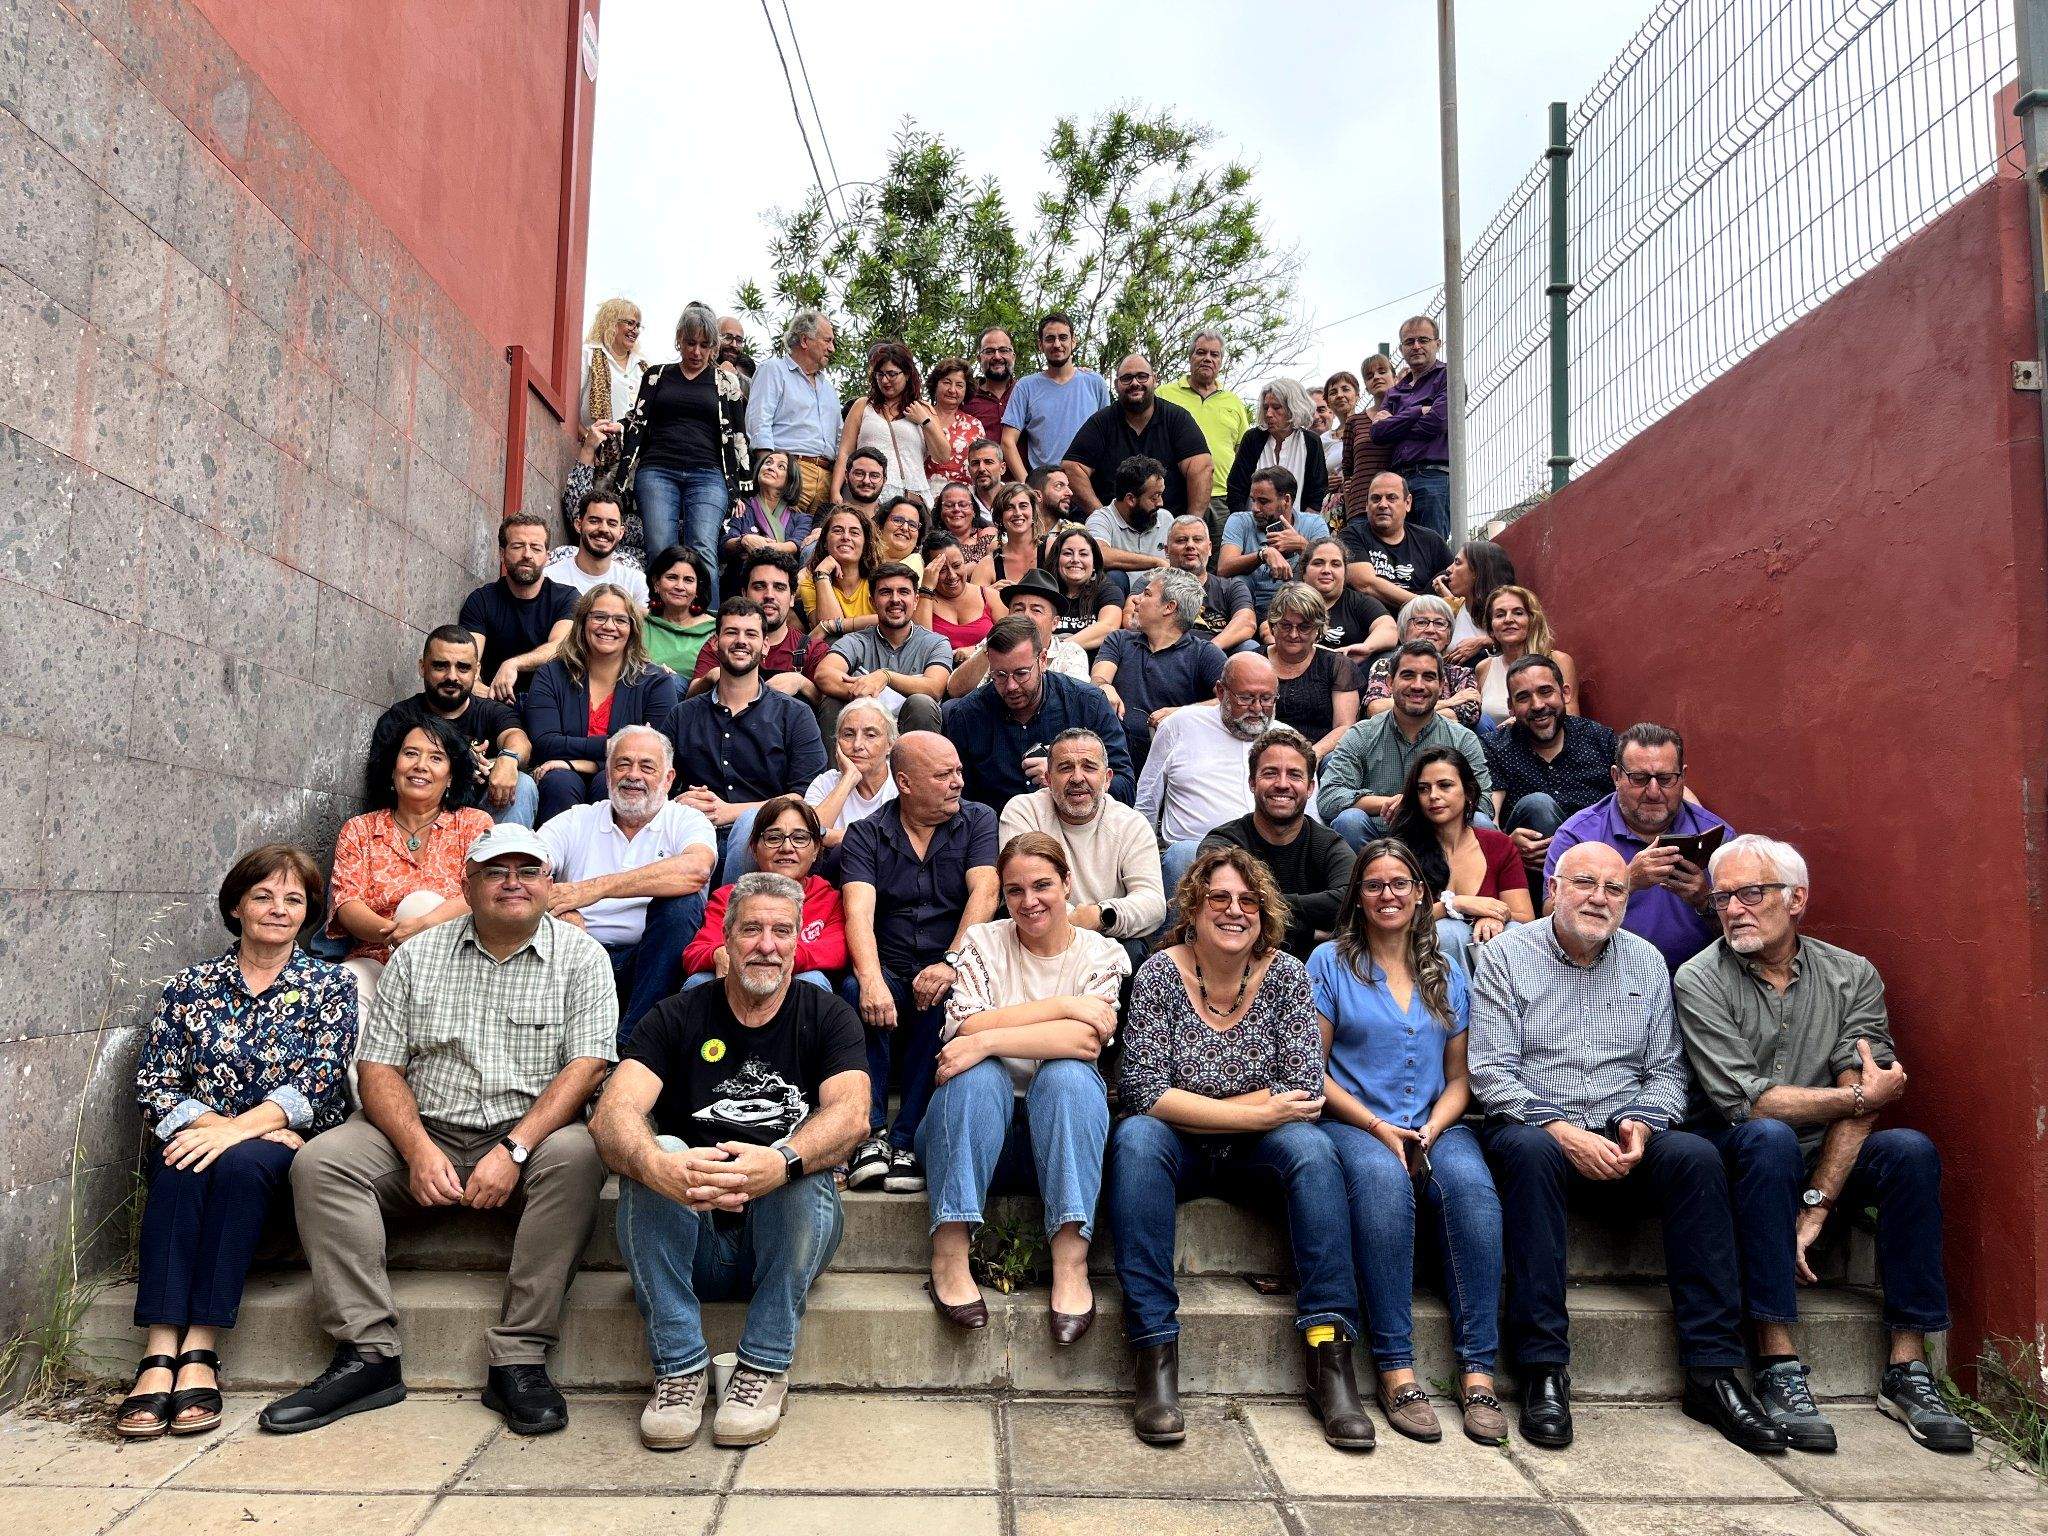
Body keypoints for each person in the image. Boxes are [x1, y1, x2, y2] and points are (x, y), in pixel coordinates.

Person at [260, 825, 615, 1437]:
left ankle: (520, 1358)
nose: (512, 883)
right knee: (323, 1162)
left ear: (548, 883)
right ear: (466, 885)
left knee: (580, 1154)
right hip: (424, 1127)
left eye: (527, 871)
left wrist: (515, 1148)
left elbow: (587, 1067)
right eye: (495, 871)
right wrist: (418, 1149)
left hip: (527, 1136)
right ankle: (367, 1355)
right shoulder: (417, 955)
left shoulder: (583, 958)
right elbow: (378, 1068)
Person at [1467, 841, 1784, 1452]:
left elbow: (1667, 1070)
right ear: (1553, 890)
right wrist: (1561, 1130)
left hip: (1622, 1132)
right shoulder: (1506, 955)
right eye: (1584, 883)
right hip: (1538, 1129)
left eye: (1615, 889)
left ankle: (1712, 1370)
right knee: (1530, 1154)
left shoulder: (1646, 961)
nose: (1599, 899)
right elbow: (1491, 1073)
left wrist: (1642, 1122)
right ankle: (1541, 1367)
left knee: (1696, 1158)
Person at [1676, 836, 1971, 1455]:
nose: (1734, 909)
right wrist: (1860, 1098)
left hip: (1825, 1154)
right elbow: (1752, 1103)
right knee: (1770, 1137)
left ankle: (1907, 1366)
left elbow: (1862, 1093)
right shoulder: (1699, 978)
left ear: (1796, 899)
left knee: (1911, 1152)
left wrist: (1816, 1206)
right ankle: (1777, 1359)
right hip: (1739, 1152)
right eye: (1723, 898)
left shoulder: (1851, 974)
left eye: (1751, 893)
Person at [1107, 845, 1372, 1450]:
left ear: (1264, 911)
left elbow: (1302, 1090)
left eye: (1248, 900)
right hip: (1178, 1148)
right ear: (1193, 908)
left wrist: (1201, 1105)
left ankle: (1330, 1358)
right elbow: (1144, 1092)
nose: (1234, 910)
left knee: (1313, 1151)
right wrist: (1255, 1111)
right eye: (1219, 898)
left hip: (1259, 1153)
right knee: (1137, 1140)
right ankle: (1154, 1355)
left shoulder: (1286, 974)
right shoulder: (1159, 975)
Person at [593, 870, 869, 1449]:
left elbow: (851, 1116)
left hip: (783, 1239)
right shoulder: (676, 1015)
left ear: (797, 942)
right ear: (725, 938)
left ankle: (764, 1364)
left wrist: (781, 1161)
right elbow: (612, 1115)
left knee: (805, 1161)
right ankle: (679, 1369)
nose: (767, 945)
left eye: (781, 931)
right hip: (691, 1233)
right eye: (751, 930)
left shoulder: (827, 1015)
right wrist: (658, 1166)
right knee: (653, 1151)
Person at [120, 846, 356, 1440]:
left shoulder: (330, 985)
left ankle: (201, 1344)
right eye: (263, 896)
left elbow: (320, 1079)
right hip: (205, 1134)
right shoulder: (191, 985)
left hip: (280, 1144)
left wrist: (234, 1131)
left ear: (308, 914)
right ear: (236, 906)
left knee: (242, 1162)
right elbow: (156, 1081)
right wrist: (216, 1129)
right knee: (180, 1162)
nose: (278, 909)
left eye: (294, 900)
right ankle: (159, 1347)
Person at [1311, 838, 1507, 1446]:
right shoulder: (1329, 963)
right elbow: (1312, 1071)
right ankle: (1396, 1369)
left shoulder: (1445, 967)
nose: (1387, 895)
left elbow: (1460, 1077)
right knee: (1384, 1186)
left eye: (1400, 883)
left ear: (1421, 892)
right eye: (1374, 885)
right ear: (1358, 897)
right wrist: (1378, 1127)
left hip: (1433, 1121)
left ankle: (1478, 1374)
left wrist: (1433, 1129)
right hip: (1355, 1121)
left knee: (1473, 1193)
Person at [920, 833, 1128, 1340]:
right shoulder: (982, 942)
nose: (1029, 901)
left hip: (1060, 1142)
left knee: (1068, 1075)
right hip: (971, 1135)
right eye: (1015, 890)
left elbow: (1084, 1040)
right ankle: (949, 1256)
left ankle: (1071, 1263)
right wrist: (1064, 1006)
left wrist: (987, 1039)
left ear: (1067, 883)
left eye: (1042, 886)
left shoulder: (1103, 953)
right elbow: (965, 1027)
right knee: (977, 1076)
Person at [839, 732, 1000, 1193]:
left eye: (958, 771)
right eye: (944, 774)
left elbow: (986, 892)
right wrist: (871, 979)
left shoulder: (978, 819)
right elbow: (857, 911)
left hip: (946, 960)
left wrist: (952, 961)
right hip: (889, 963)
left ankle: (906, 1138)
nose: (958, 782)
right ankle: (869, 1134)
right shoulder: (866, 833)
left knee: (949, 997)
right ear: (905, 783)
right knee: (853, 991)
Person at [537, 727, 718, 1046]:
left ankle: (632, 1043)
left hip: (652, 962)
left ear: (668, 779)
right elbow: (529, 870)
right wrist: (562, 915)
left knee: (683, 904)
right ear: (608, 774)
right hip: (580, 955)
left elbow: (696, 869)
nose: (633, 775)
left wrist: (594, 889)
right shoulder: (577, 820)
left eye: (647, 767)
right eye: (623, 764)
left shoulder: (686, 820)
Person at [660, 598, 828, 882]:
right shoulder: (683, 714)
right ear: (715, 642)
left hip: (765, 841)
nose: (741, 641)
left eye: (750, 634)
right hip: (694, 834)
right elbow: (657, 784)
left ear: (765, 646)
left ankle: (732, 907)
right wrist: (681, 801)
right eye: (731, 632)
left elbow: (805, 797)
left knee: (750, 822)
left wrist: (729, 812)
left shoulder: (795, 714)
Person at [329, 717, 493, 1005]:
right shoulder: (360, 829)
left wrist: (425, 923)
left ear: (451, 776)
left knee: (420, 904)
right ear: (393, 768)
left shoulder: (473, 824)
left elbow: (482, 892)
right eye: (411, 753)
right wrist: (396, 934)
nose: (421, 765)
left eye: (436, 758)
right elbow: (347, 904)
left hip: (456, 966)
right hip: (379, 959)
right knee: (344, 985)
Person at [1546, 723, 1729, 973]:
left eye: (1665, 779)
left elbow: (1750, 928)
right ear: (1616, 777)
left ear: (1683, 777)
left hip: (1697, 979)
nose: (1653, 792)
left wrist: (1704, 901)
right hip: (1602, 974)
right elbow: (1549, 919)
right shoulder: (1578, 835)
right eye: (1639, 779)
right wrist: (1625, 882)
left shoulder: (1718, 837)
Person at [998, 727, 1166, 969]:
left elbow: (1152, 903)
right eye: (1065, 768)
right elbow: (1022, 885)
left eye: (1089, 767)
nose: (1077, 778)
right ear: (1048, 779)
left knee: (1132, 951)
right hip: (1038, 934)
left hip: (1106, 939)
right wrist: (1073, 921)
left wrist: (1100, 915)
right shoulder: (1024, 812)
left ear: (1107, 779)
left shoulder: (1130, 824)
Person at [523, 585, 683, 823]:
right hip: (559, 776)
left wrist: (579, 764)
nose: (609, 626)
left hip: (624, 776)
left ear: (633, 628)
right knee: (559, 781)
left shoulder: (656, 682)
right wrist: (610, 747)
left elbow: (655, 753)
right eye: (599, 617)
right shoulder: (552, 674)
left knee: (610, 782)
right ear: (582, 622)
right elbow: (545, 742)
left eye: (620, 620)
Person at [942, 615, 1134, 810]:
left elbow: (1125, 787)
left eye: (1021, 673)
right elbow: (959, 799)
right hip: (998, 823)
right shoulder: (967, 715)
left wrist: (1063, 778)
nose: (1011, 686)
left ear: (1043, 660)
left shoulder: (1088, 704)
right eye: (1000, 675)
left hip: (1077, 823)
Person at [1319, 641, 1494, 851]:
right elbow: (1329, 798)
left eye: (1428, 677)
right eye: (1408, 675)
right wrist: (1388, 803)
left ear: (1441, 686)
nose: (1418, 685)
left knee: (1481, 823)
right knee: (1349, 821)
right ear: (1390, 682)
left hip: (1442, 843)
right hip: (1376, 847)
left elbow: (1483, 803)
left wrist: (1423, 804)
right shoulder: (1362, 734)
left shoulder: (1462, 739)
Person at [1199, 726, 1354, 959]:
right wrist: (1308, 932)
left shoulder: (1328, 845)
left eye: (1294, 775)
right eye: (1270, 773)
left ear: (1310, 787)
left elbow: (1349, 899)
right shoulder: (1223, 842)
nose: (1282, 784)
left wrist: (1259, 902)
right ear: (1252, 782)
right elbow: (1222, 910)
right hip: (1235, 961)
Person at [629, 303, 751, 599]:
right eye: (690, 343)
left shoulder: (726, 382)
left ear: (714, 347)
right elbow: (637, 422)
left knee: (703, 547)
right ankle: (658, 616)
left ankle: (709, 621)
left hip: (708, 473)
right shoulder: (656, 376)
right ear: (679, 340)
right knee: (660, 547)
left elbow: (738, 436)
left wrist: (742, 488)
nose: (697, 352)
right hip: (657, 470)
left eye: (705, 345)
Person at [370, 626, 537, 827]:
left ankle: (506, 850)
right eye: (440, 666)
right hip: (418, 821)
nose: (452, 676)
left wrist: (508, 758)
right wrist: (459, 766)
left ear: (477, 671)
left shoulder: (491, 712)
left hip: (483, 825)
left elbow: (517, 738)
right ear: (423, 667)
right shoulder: (400, 717)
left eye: (463, 667)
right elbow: (381, 786)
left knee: (523, 785)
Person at [1388, 747, 1532, 974]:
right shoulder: (1401, 851)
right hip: (1422, 967)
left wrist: (1496, 917)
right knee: (1447, 932)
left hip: (1492, 965)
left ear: (1469, 792)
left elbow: (1525, 918)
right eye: (1423, 789)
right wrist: (1454, 905)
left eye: (1444, 785)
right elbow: (1393, 921)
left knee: (1512, 930)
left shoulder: (1499, 845)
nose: (1433, 795)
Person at [1140, 654, 1277, 893]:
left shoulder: (1285, 739)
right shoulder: (1180, 725)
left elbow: (1309, 816)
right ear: (1221, 692)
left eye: (1266, 699)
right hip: (1196, 855)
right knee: (1181, 855)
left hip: (1265, 856)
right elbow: (1147, 796)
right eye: (1246, 698)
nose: (1257, 708)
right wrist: (1141, 858)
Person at [682, 796, 846, 993]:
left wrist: (773, 956)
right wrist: (718, 954)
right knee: (699, 982)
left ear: (815, 850)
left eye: (800, 838)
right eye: (773, 838)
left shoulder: (829, 899)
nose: (787, 848)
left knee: (812, 980)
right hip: (737, 990)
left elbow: (837, 950)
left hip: (794, 994)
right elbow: (694, 952)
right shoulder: (728, 897)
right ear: (754, 848)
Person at [1485, 656, 1616, 879]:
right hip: (1529, 872)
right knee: (1539, 806)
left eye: (1545, 692)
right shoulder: (1496, 747)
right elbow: (1489, 818)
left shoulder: (1599, 740)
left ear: (1565, 693)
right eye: (1523, 697)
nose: (1537, 705)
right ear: (1511, 708)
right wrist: (1507, 843)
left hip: (1598, 860)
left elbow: (1639, 790)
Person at [1091, 567, 1226, 770]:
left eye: (1146, 594)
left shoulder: (1203, 653)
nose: (1135, 599)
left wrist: (1183, 714)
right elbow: (1099, 678)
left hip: (1174, 765)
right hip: (1115, 760)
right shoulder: (1119, 639)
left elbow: (1232, 700)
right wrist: (1104, 687)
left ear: (1169, 607)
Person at [812, 562, 952, 739]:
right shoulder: (856, 641)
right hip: (863, 730)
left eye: (903, 592)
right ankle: (837, 759)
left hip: (912, 734)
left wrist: (886, 677)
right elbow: (824, 675)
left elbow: (934, 687)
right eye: (886, 592)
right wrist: (866, 693)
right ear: (872, 601)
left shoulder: (936, 643)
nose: (895, 599)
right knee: (832, 701)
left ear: (916, 600)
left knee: (921, 702)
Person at [1063, 356, 1213, 518]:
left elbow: (1202, 467)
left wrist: (1191, 523)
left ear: (1155, 380)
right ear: (1116, 385)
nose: (1135, 383)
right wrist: (1102, 518)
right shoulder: (1101, 422)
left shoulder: (1177, 419)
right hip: (1113, 525)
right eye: (1126, 378)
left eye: (1142, 376)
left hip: (1169, 524)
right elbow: (1072, 467)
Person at [463, 513, 578, 701]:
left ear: (547, 557)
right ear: (502, 554)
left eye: (536, 548)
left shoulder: (566, 598)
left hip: (548, 705)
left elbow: (559, 646)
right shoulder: (482, 600)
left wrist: (514, 664)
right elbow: (466, 661)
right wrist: (486, 693)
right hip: (493, 703)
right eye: (517, 546)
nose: (527, 555)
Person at [744, 308, 842, 515]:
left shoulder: (828, 388)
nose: (832, 348)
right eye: (827, 341)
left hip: (826, 480)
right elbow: (759, 423)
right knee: (778, 533)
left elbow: (839, 437)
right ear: (805, 340)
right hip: (790, 470)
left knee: (815, 537)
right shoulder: (773, 369)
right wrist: (773, 475)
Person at [691, 551, 821, 702]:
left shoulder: (812, 649)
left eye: (779, 587)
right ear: (744, 593)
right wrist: (710, 677)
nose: (769, 595)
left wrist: (802, 683)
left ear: (792, 598)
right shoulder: (723, 643)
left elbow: (829, 706)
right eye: (759, 586)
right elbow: (690, 701)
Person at [1156, 330, 1251, 534]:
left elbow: (1242, 450)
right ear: (1190, 357)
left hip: (1222, 498)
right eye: (1201, 352)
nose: (1208, 358)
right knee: (1175, 549)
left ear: (1221, 362)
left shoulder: (1233, 401)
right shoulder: (1164, 394)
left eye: (1214, 354)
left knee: (1222, 553)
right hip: (1176, 494)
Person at [832, 341, 947, 505]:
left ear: (907, 374)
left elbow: (943, 456)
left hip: (911, 497)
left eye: (892, 374)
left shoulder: (923, 409)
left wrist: (925, 421)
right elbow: (845, 452)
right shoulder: (863, 406)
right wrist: (835, 492)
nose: (885, 380)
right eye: (880, 374)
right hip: (867, 494)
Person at [1369, 317, 1454, 539]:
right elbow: (1378, 433)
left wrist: (1395, 422)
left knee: (1431, 546)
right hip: (1398, 483)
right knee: (1399, 549)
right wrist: (1418, 411)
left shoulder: (1449, 376)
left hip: (1434, 478)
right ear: (1401, 349)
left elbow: (1437, 422)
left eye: (1423, 340)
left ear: (1438, 343)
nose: (1416, 346)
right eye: (1409, 342)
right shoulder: (1395, 391)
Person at [1000, 311, 1111, 478]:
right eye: (1050, 339)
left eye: (1063, 337)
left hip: (1090, 483)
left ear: (1073, 341)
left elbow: (1109, 437)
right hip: (1045, 485)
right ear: (1040, 344)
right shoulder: (1026, 386)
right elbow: (1008, 441)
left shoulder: (1095, 383)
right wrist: (1028, 485)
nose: (1057, 344)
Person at [946, 567, 1088, 694]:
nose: (1026, 615)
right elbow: (954, 690)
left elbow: (1076, 701)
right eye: (1018, 609)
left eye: (1036, 610)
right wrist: (989, 649)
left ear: (1054, 623)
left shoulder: (1070, 653)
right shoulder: (992, 644)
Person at [1263, 584, 1361, 761]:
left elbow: (1345, 726)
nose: (1294, 634)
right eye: (1286, 625)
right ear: (1273, 626)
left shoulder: (1337, 665)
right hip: (1260, 751)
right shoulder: (1253, 661)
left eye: (1304, 627)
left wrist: (1311, 757)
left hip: (1318, 755)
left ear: (1318, 629)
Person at [1220, 466, 1331, 621]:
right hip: (1248, 607)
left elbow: (1330, 566)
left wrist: (1302, 545)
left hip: (1297, 608)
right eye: (1253, 500)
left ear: (1286, 500)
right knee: (1239, 581)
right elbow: (1223, 568)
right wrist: (1263, 554)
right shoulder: (1240, 520)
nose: (1254, 508)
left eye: (1263, 501)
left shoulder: (1313, 523)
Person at [1342, 471, 1451, 618]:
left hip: (1424, 623)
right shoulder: (1351, 535)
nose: (1382, 504)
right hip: (1373, 621)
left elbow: (1456, 580)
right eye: (1376, 498)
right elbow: (1366, 584)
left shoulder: (1430, 540)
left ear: (1407, 503)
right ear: (1367, 505)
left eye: (1391, 498)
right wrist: (1425, 605)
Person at [1362, 597, 1481, 729]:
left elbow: (1470, 714)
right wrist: (1449, 702)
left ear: (1449, 636)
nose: (1431, 630)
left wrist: (1401, 710)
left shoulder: (1461, 673)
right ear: (1404, 631)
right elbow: (1375, 709)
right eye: (1421, 622)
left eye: (1439, 623)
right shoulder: (1385, 666)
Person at [1475, 584, 1577, 729]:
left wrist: (1517, 726)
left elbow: (1572, 720)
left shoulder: (1558, 661)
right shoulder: (1484, 668)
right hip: (1496, 742)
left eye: (1518, 613)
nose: (1508, 619)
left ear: (1532, 620)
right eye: (1500, 615)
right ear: (1491, 627)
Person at [716, 449, 812, 603]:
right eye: (768, 463)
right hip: (739, 592)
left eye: (781, 466)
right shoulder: (741, 507)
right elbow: (724, 545)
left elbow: (795, 546)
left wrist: (757, 548)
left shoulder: (801, 518)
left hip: (780, 596)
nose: (771, 467)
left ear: (790, 479)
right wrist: (744, 541)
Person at [804, 697, 898, 851]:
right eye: (848, 734)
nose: (857, 745)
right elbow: (808, 838)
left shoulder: (901, 783)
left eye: (870, 735)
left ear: (890, 744)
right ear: (837, 742)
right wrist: (849, 779)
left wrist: (832, 837)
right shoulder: (824, 783)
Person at [1227, 378, 1329, 515]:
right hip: (1251, 520)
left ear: (1294, 408)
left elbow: (1318, 491)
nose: (1268, 414)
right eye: (1266, 408)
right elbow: (1236, 487)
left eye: (1276, 407)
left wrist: (1304, 524)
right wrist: (1242, 521)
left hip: (1299, 523)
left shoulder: (1311, 441)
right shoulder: (1252, 438)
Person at [1294, 534, 1396, 661]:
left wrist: (1366, 647)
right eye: (1318, 563)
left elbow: (1388, 628)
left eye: (1335, 564)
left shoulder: (1359, 603)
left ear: (1345, 573)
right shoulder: (1289, 601)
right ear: (1304, 572)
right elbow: (1271, 629)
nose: (1326, 570)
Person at [1163, 515, 1255, 653]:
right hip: (1167, 655)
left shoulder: (1231, 587)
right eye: (1181, 540)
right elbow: (1131, 620)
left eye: (1197, 539)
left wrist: (1208, 650)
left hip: (1217, 657)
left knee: (1249, 647)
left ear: (1210, 548)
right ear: (1166, 550)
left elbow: (1247, 623)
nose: (1190, 545)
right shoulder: (1152, 584)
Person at [546, 488, 649, 609]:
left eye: (612, 524)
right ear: (578, 525)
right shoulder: (550, 578)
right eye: (594, 521)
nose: (604, 529)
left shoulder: (635, 582)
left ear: (621, 532)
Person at [916, 533, 1005, 662]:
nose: (952, 575)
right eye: (942, 570)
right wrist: (926, 588)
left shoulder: (990, 596)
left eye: (957, 566)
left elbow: (1011, 641)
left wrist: (976, 649)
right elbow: (920, 647)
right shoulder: (920, 601)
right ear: (929, 570)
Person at [798, 503, 880, 643]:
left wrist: (844, 624)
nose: (846, 537)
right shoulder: (812, 582)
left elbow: (892, 619)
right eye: (837, 531)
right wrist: (822, 575)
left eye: (854, 532)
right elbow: (830, 635)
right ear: (825, 542)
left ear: (866, 544)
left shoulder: (879, 580)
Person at [1042, 524, 1126, 657]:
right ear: (1057, 560)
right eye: (1068, 553)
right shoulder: (1043, 591)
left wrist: (1059, 648)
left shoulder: (1108, 590)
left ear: (1094, 563)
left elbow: (1108, 627)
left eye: (1083, 554)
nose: (1075, 560)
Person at [1082, 455, 1172, 574]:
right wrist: (1156, 562)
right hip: (1120, 586)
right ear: (1131, 499)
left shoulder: (1165, 518)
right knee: (1115, 576)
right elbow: (1099, 554)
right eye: (1154, 497)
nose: (1160, 503)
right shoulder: (1101, 519)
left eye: (1161, 495)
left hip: (1159, 585)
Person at [1340, 351, 1400, 523]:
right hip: (1360, 506)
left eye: (1382, 371)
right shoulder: (1354, 421)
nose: (1376, 377)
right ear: (1366, 387)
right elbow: (1347, 468)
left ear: (1395, 379)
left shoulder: (1405, 416)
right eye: (1369, 376)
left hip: (1395, 506)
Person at [1435, 539, 1516, 665]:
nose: (1449, 569)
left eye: (1457, 563)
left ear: (1477, 571)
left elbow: (1528, 640)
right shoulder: (1456, 608)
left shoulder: (1508, 610)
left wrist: (1485, 642)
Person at [643, 546, 716, 678]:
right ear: (656, 583)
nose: (680, 587)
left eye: (688, 580)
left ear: (698, 588)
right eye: (672, 577)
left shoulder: (715, 630)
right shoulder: (641, 624)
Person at [581, 297, 644, 430]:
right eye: (630, 323)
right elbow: (569, 408)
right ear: (611, 323)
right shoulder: (588, 354)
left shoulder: (643, 368)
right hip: (593, 441)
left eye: (638, 326)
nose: (635, 330)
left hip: (634, 443)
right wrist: (587, 438)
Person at [973, 481, 1044, 590]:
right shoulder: (988, 564)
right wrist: (990, 593)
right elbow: (973, 600)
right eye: (1009, 507)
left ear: (1033, 512)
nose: (1017, 513)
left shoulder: (1051, 548)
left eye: (1023, 506)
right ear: (1000, 517)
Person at [924, 356, 980, 486]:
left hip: (963, 494)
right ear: (935, 385)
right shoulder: (920, 415)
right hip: (922, 493)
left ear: (966, 390)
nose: (952, 390)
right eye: (946, 382)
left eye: (959, 385)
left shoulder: (974, 425)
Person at [965, 326, 1017, 441]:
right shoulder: (965, 398)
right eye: (989, 351)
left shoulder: (1027, 394)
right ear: (979, 358)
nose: (997, 356)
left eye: (1004, 350)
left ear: (1013, 357)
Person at [932, 478, 994, 569]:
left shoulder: (988, 534)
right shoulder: (932, 543)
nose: (956, 509)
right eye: (949, 505)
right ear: (940, 512)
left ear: (974, 511)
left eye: (963, 505)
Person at [961, 440, 1007, 546]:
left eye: (988, 462)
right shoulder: (962, 503)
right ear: (969, 470)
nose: (981, 468)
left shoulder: (1018, 498)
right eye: (975, 463)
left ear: (1002, 468)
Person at [1320, 369, 1358, 493]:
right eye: (1333, 392)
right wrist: (1324, 482)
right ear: (1328, 403)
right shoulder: (1323, 440)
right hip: (1334, 500)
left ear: (1357, 395)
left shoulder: (1369, 426)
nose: (1339, 395)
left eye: (1345, 389)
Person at [873, 492, 928, 574]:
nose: (905, 528)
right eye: (898, 520)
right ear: (881, 526)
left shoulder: (925, 573)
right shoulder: (860, 561)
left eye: (912, 525)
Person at [838, 446, 889, 524]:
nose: (866, 481)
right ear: (846, 476)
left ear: (884, 480)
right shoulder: (829, 513)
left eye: (874, 476)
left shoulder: (889, 519)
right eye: (859, 474)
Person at [716, 314, 755, 383]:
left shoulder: (748, 385)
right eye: (728, 337)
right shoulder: (698, 372)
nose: (734, 345)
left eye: (739, 340)